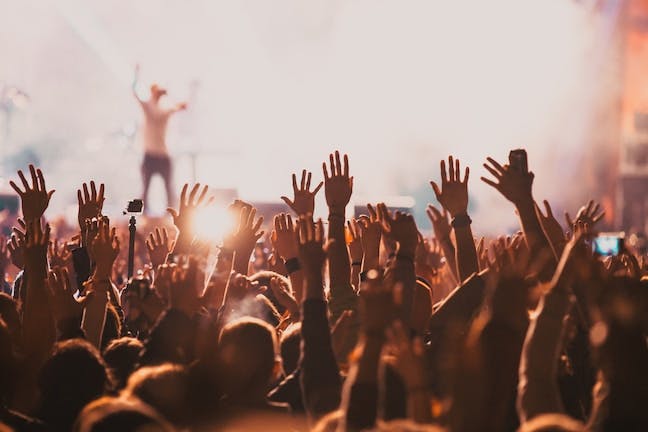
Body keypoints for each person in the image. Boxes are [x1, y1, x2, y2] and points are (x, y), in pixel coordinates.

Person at [132, 66, 187, 210]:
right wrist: (136, 74)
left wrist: (181, 105)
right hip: (152, 154)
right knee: (146, 190)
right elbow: (135, 92)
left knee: (167, 190)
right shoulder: (151, 108)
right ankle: (141, 218)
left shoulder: (162, 109)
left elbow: (178, 107)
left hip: (160, 155)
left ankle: (171, 215)